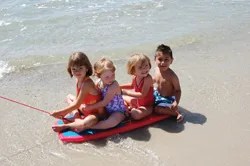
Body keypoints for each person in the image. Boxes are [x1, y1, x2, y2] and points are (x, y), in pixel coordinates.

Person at [51, 52, 105, 132]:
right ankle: (77, 117)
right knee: (69, 97)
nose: (77, 71)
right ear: (70, 69)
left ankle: (67, 126)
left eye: (80, 68)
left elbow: (77, 104)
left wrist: (60, 112)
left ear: (86, 68)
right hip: (85, 108)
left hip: (96, 113)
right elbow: (77, 101)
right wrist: (64, 112)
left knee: (87, 122)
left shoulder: (87, 83)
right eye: (74, 69)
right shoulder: (78, 80)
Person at [83, 58, 126, 129]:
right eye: (107, 77)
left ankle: (90, 127)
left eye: (113, 75)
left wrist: (91, 107)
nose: (111, 79)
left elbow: (104, 102)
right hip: (105, 111)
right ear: (99, 75)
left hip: (118, 111)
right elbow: (95, 95)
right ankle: (87, 123)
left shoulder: (113, 85)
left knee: (111, 122)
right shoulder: (98, 83)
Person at [153, 44, 184, 122]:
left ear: (171, 60)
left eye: (166, 59)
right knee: (146, 95)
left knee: (157, 109)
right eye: (160, 59)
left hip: (168, 98)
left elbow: (178, 90)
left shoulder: (172, 76)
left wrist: (176, 102)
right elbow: (155, 80)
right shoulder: (156, 69)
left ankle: (176, 113)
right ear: (155, 60)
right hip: (158, 93)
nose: (163, 62)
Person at [120, 53, 154, 120]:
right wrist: (119, 86)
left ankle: (131, 109)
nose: (144, 69)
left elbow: (142, 95)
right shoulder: (134, 77)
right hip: (137, 102)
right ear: (133, 70)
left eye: (146, 65)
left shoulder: (147, 79)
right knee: (121, 97)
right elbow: (132, 86)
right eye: (140, 67)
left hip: (147, 106)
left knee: (136, 115)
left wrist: (126, 92)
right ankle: (131, 108)